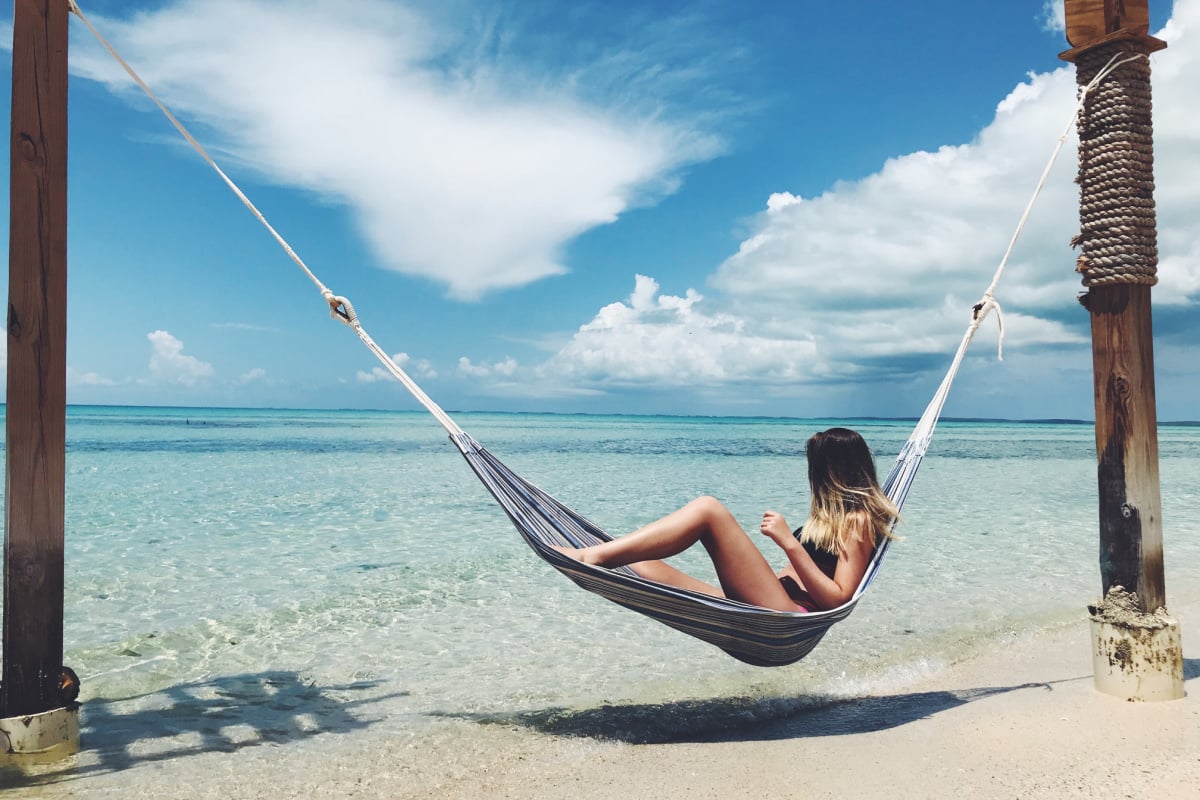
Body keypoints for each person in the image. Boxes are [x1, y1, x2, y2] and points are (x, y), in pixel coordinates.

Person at [556, 427, 899, 612]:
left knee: (709, 510)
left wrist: (789, 542)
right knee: (639, 567)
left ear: (830, 471)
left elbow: (839, 599)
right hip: (762, 605)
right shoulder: (832, 518)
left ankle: (591, 555)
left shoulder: (858, 521)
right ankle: (596, 553)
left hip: (787, 618)